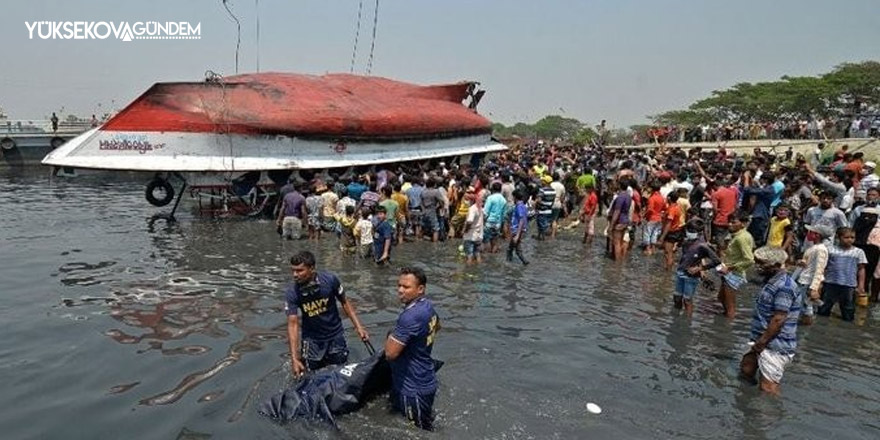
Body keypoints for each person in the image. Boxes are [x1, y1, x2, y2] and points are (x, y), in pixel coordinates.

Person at [284, 251, 369, 377]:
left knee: (341, 373)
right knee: (309, 376)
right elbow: (293, 325)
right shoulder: (292, 292)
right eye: (293, 271)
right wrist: (294, 358)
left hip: (335, 335)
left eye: (299, 270)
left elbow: (345, 302)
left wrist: (359, 327)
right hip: (311, 340)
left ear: (312, 268)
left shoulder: (330, 280)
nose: (295, 275)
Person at [384, 267, 441, 431]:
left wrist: (391, 336)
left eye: (406, 287)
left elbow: (390, 354)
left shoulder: (410, 316)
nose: (400, 290)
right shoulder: (428, 307)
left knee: (418, 432)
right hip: (425, 377)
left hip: (413, 387)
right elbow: (437, 326)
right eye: (399, 285)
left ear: (420, 289)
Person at [740, 246, 800, 395]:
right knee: (747, 368)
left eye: (762, 264)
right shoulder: (770, 281)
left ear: (777, 265)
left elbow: (779, 319)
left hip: (774, 344)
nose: (758, 267)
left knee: (768, 388)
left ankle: (769, 414)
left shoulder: (784, 287)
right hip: (761, 338)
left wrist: (762, 342)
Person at [817, 227, 866, 322]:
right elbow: (823, 266)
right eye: (846, 237)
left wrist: (861, 285)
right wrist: (819, 282)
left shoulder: (858, 252)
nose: (850, 240)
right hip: (830, 283)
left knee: (848, 312)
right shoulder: (830, 250)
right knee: (823, 309)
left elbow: (861, 269)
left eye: (852, 237)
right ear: (838, 237)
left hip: (849, 285)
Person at [673, 219, 722, 315]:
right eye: (688, 230)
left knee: (687, 300)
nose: (689, 233)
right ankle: (676, 318)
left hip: (691, 276)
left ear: (699, 233)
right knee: (677, 298)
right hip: (681, 272)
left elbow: (717, 261)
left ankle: (687, 322)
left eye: (692, 231)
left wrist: (700, 269)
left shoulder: (703, 246)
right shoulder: (687, 241)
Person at [793, 224, 833, 325]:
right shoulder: (814, 247)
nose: (808, 234)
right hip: (803, 279)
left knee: (806, 308)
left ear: (817, 235)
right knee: (802, 306)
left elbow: (819, 269)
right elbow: (809, 263)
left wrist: (814, 287)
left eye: (811, 232)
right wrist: (802, 262)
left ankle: (805, 327)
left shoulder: (821, 249)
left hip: (808, 282)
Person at [717, 213, 754, 318]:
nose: (729, 224)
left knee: (730, 306)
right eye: (729, 222)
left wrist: (729, 267)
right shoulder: (735, 235)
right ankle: (725, 318)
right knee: (721, 298)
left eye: (733, 222)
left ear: (743, 224)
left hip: (733, 273)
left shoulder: (742, 238)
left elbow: (750, 260)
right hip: (728, 271)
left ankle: (727, 328)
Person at [507, 189, 529, 265]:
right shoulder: (522, 205)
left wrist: (517, 235)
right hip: (517, 230)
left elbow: (521, 220)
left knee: (515, 249)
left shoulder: (519, 206)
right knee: (511, 249)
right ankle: (509, 263)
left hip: (517, 231)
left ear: (515, 197)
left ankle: (524, 262)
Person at [462, 187, 484, 264]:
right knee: (478, 254)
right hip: (479, 236)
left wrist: (465, 230)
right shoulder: (480, 208)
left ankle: (467, 271)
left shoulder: (472, 209)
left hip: (470, 236)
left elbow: (469, 221)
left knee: (469, 256)